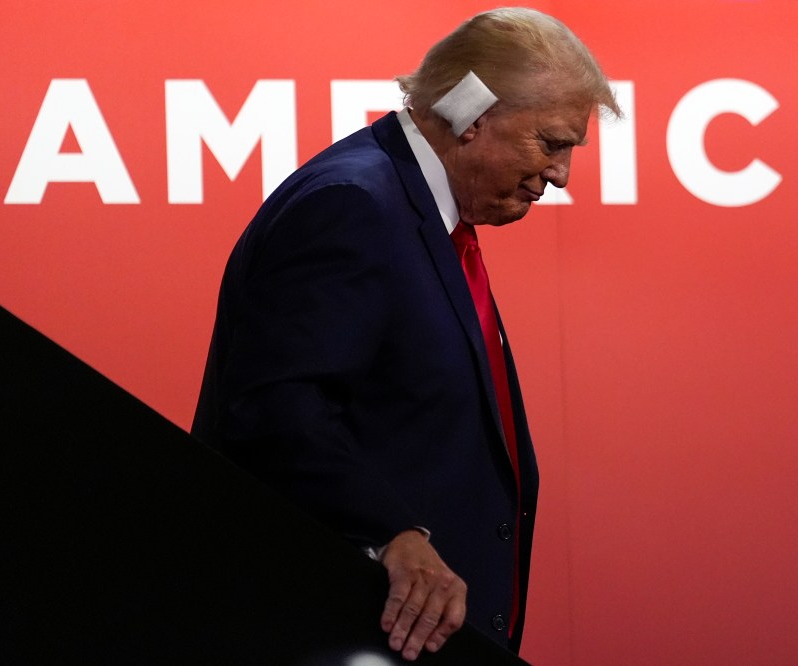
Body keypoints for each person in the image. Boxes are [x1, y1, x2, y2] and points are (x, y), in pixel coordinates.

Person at [191, 7, 620, 661]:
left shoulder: (416, 210)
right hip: (347, 632)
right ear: (472, 116)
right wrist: (393, 534)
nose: (560, 175)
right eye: (551, 143)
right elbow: (274, 409)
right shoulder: (353, 204)